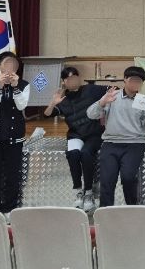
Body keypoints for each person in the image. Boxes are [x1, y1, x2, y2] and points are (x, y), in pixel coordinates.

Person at [86, 66, 145, 207]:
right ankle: (105, 211)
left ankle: (131, 208)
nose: (135, 83)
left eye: (139, 81)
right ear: (125, 79)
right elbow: (90, 114)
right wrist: (102, 102)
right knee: (107, 180)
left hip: (134, 144)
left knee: (128, 177)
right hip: (111, 143)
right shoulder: (112, 96)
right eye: (132, 80)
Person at [44, 66, 107, 211]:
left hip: (94, 133)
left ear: (79, 78)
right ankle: (78, 191)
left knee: (86, 154)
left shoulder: (91, 90)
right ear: (64, 82)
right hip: (75, 134)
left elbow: (112, 90)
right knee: (73, 154)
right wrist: (53, 102)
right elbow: (47, 114)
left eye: (74, 77)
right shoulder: (63, 99)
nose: (72, 81)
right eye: (68, 79)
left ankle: (89, 192)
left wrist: (104, 104)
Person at [0, 51, 30, 217]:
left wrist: (15, 87)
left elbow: (22, 106)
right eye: (6, 64)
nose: (10, 68)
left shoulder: (24, 85)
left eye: (13, 65)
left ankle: (9, 208)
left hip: (15, 135)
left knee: (12, 174)